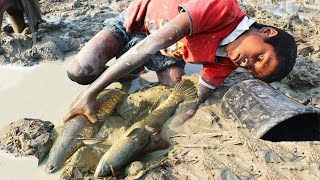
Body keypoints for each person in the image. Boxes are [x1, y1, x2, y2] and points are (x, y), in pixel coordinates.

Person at [64, 0, 297, 124]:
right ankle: (127, 63)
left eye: (250, 68)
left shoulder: (228, 61)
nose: (246, 63)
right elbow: (151, 44)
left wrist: (189, 110)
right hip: (136, 24)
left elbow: (201, 89)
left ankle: (132, 70)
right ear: (267, 32)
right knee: (80, 73)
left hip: (164, 52)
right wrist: (91, 94)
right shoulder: (221, 7)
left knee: (174, 92)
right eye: (259, 58)